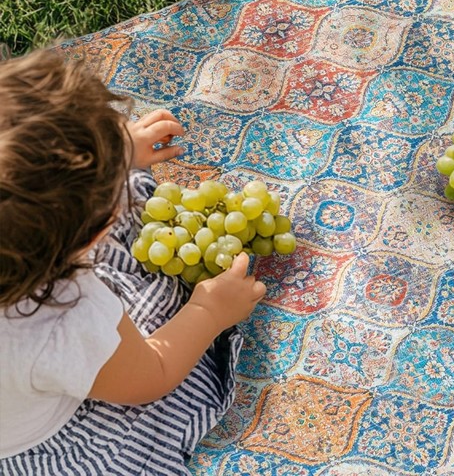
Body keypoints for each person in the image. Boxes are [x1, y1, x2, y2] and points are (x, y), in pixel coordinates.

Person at [0, 48, 266, 475]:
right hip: (40, 443)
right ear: (91, 235)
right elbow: (150, 376)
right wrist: (208, 311)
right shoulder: (64, 315)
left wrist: (113, 150)